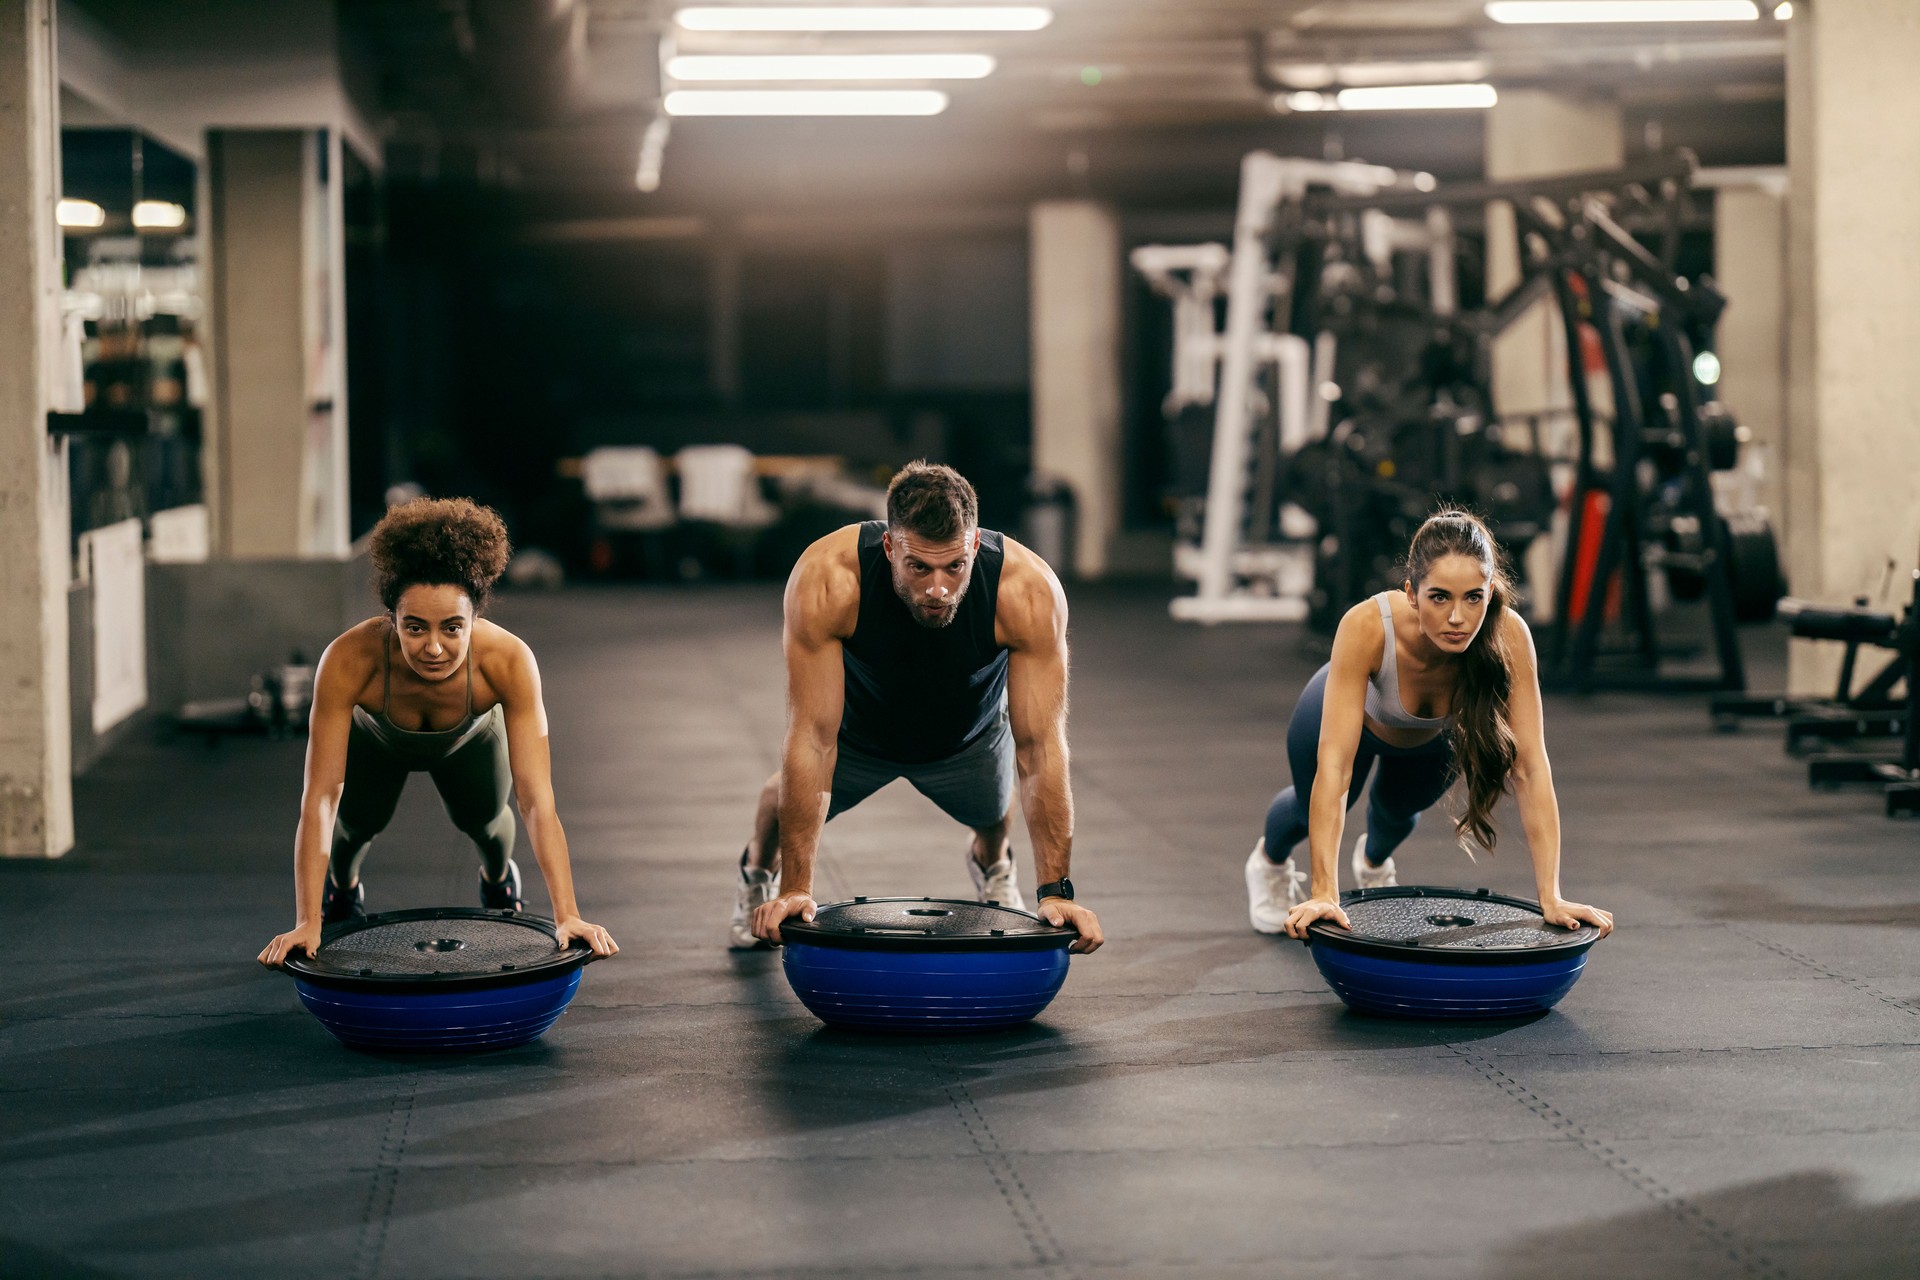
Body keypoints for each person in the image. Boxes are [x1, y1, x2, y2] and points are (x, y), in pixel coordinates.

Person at [731, 461, 1103, 954]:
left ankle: (993, 865)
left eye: (955, 566)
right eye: (918, 567)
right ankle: (758, 875)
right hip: (856, 739)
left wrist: (1057, 891)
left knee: (994, 812)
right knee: (777, 809)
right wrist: (796, 890)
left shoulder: (1026, 591)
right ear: (890, 547)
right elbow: (812, 738)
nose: (938, 589)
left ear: (973, 546)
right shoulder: (829, 577)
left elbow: (1040, 748)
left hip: (968, 739)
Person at [258, 498, 617, 967]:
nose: (433, 647)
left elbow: (536, 799)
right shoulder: (348, 659)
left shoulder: (508, 660)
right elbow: (321, 797)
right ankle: (342, 890)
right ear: (392, 618)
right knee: (355, 827)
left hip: (469, 741)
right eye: (414, 627)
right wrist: (308, 920)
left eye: (452, 628)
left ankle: (497, 877)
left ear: (474, 619)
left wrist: (567, 914)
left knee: (487, 823)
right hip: (378, 744)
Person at [1244, 509, 1614, 941]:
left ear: (1490, 593)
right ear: (1412, 593)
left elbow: (1531, 768)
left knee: (1398, 813)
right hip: (1352, 719)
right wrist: (1325, 891)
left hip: (1431, 740)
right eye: (1439, 597)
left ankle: (1374, 862)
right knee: (1314, 807)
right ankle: (1268, 864)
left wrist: (1551, 895)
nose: (1457, 618)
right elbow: (1336, 769)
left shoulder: (1509, 634)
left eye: (1472, 597)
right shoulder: (1367, 625)